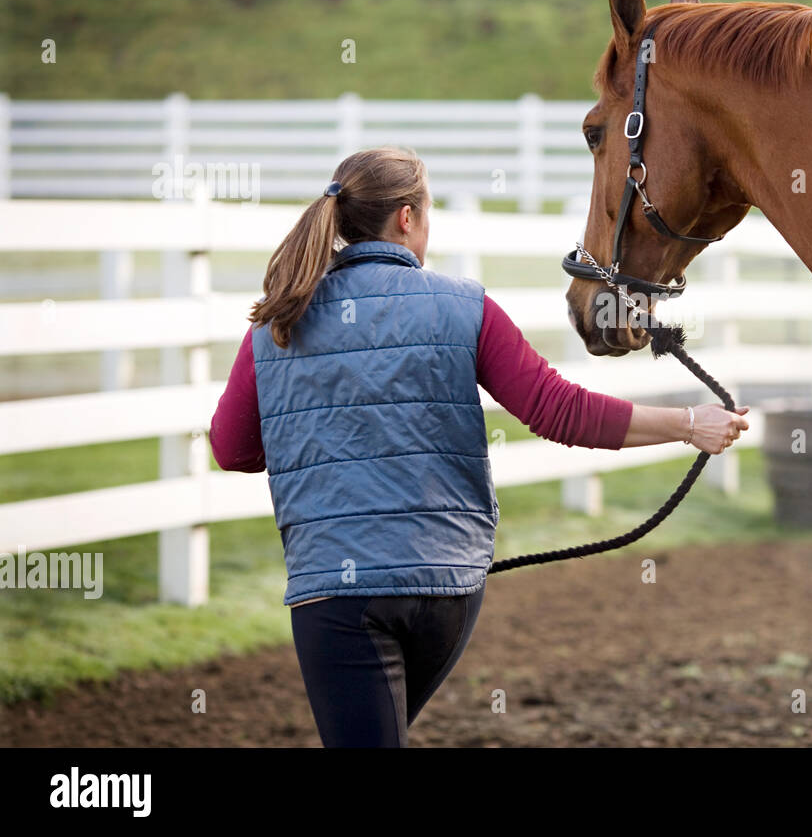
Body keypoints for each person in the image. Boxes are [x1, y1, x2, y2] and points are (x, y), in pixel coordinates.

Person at [209, 146, 749, 747]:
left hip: (336, 593)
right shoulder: (464, 306)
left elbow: (231, 448)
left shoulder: (277, 321)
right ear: (407, 218)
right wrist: (688, 423)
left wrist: (311, 438)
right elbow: (557, 410)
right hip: (447, 586)